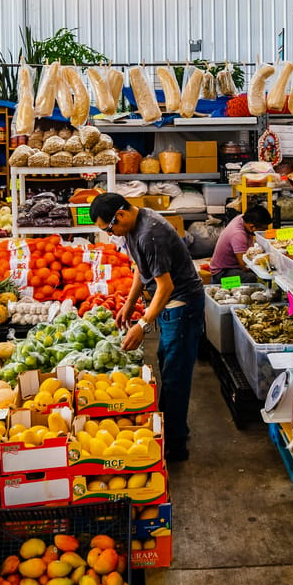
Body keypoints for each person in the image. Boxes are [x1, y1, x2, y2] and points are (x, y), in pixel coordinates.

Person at [89, 192, 204, 462]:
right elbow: (142, 270)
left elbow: (166, 287)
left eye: (109, 228)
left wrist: (142, 324)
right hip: (169, 305)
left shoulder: (149, 234)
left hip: (181, 306)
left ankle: (175, 446)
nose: (112, 234)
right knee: (168, 364)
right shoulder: (134, 227)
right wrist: (129, 304)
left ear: (121, 214)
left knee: (175, 376)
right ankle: (173, 431)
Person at [209, 204, 272, 284]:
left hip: (232, 267)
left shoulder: (243, 218)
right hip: (221, 276)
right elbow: (244, 266)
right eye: (263, 229)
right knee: (252, 278)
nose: (264, 232)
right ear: (252, 227)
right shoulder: (238, 235)